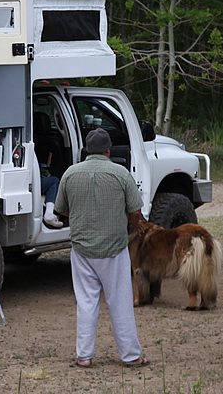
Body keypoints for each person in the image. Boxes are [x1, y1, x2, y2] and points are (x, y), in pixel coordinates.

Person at [54, 128, 148, 369]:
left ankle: (84, 355)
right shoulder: (121, 174)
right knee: (120, 301)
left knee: (86, 302)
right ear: (108, 151)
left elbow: (61, 209)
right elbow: (135, 212)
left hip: (82, 248)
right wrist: (135, 226)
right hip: (114, 248)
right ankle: (130, 355)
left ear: (86, 150)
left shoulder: (70, 174)